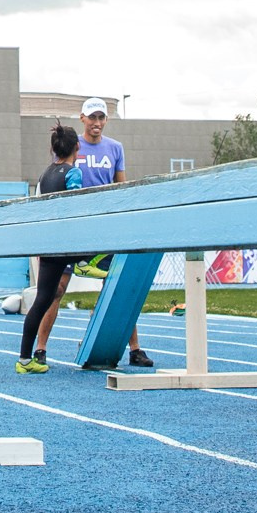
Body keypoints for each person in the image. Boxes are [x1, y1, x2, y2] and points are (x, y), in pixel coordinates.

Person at [73, 98, 154, 369]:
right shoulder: (73, 147)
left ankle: (135, 348)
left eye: (101, 118)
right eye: (92, 117)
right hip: (77, 226)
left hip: (106, 228)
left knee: (117, 285)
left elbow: (121, 187)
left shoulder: (115, 148)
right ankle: (39, 350)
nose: (96, 123)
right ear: (82, 118)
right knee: (58, 288)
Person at [16, 125, 86, 372]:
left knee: (42, 300)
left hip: (47, 245)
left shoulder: (45, 175)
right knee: (99, 247)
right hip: (65, 243)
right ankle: (88, 262)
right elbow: (74, 209)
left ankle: (24, 359)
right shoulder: (73, 173)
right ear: (77, 147)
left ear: (52, 148)